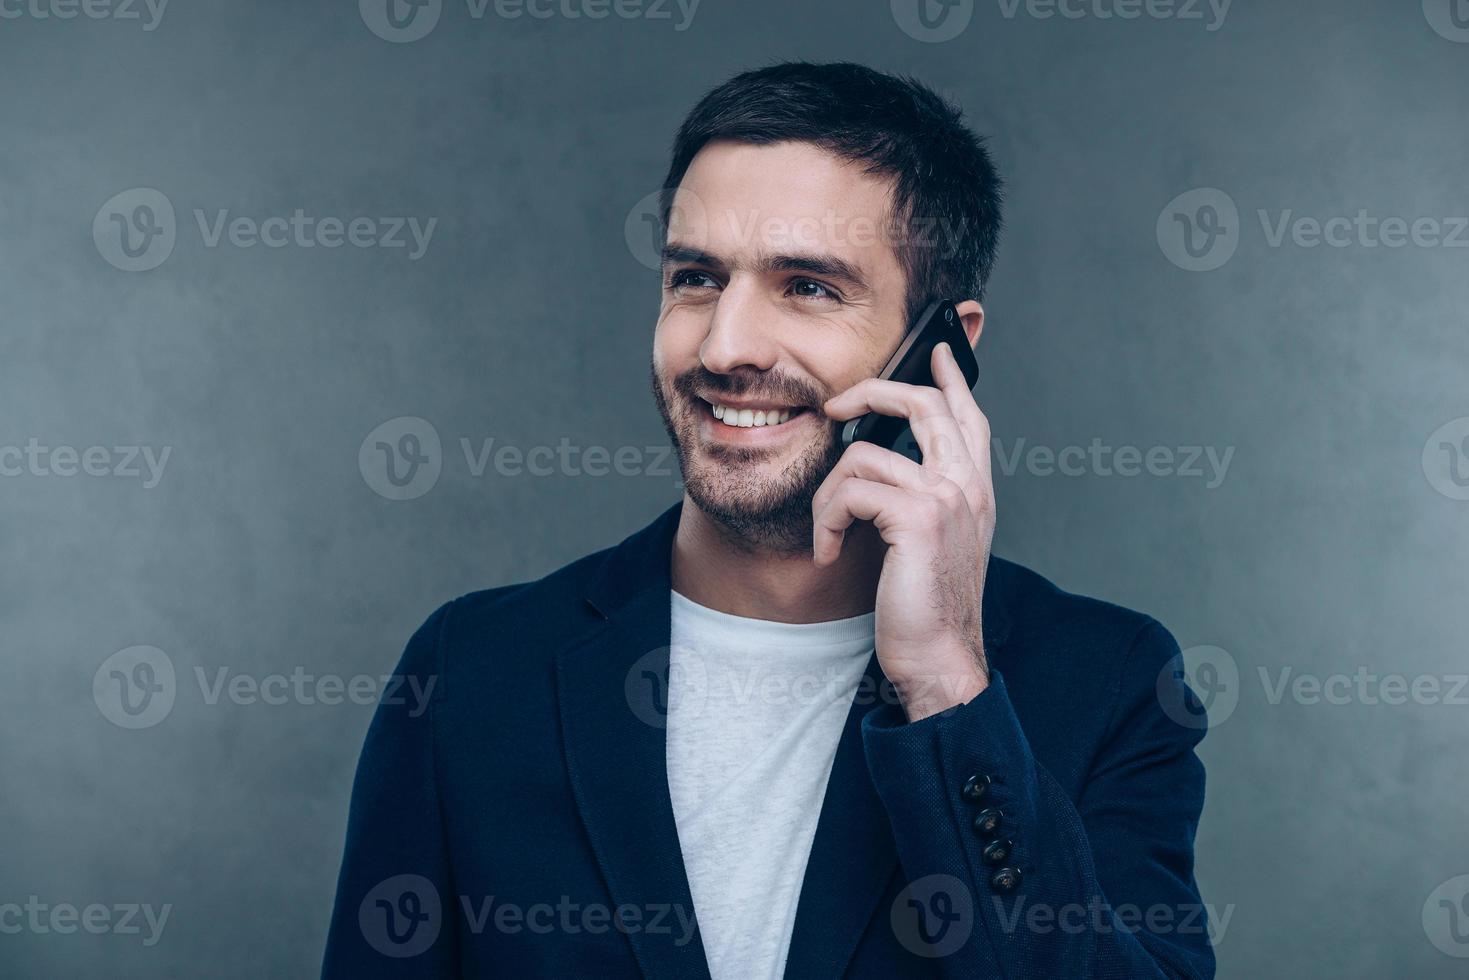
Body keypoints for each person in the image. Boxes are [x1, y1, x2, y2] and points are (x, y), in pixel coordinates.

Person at [322, 60, 1215, 979]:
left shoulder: (1109, 683)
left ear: (941, 349)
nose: (724, 346)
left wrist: (948, 684)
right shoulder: (469, 671)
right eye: (698, 278)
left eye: (809, 286)